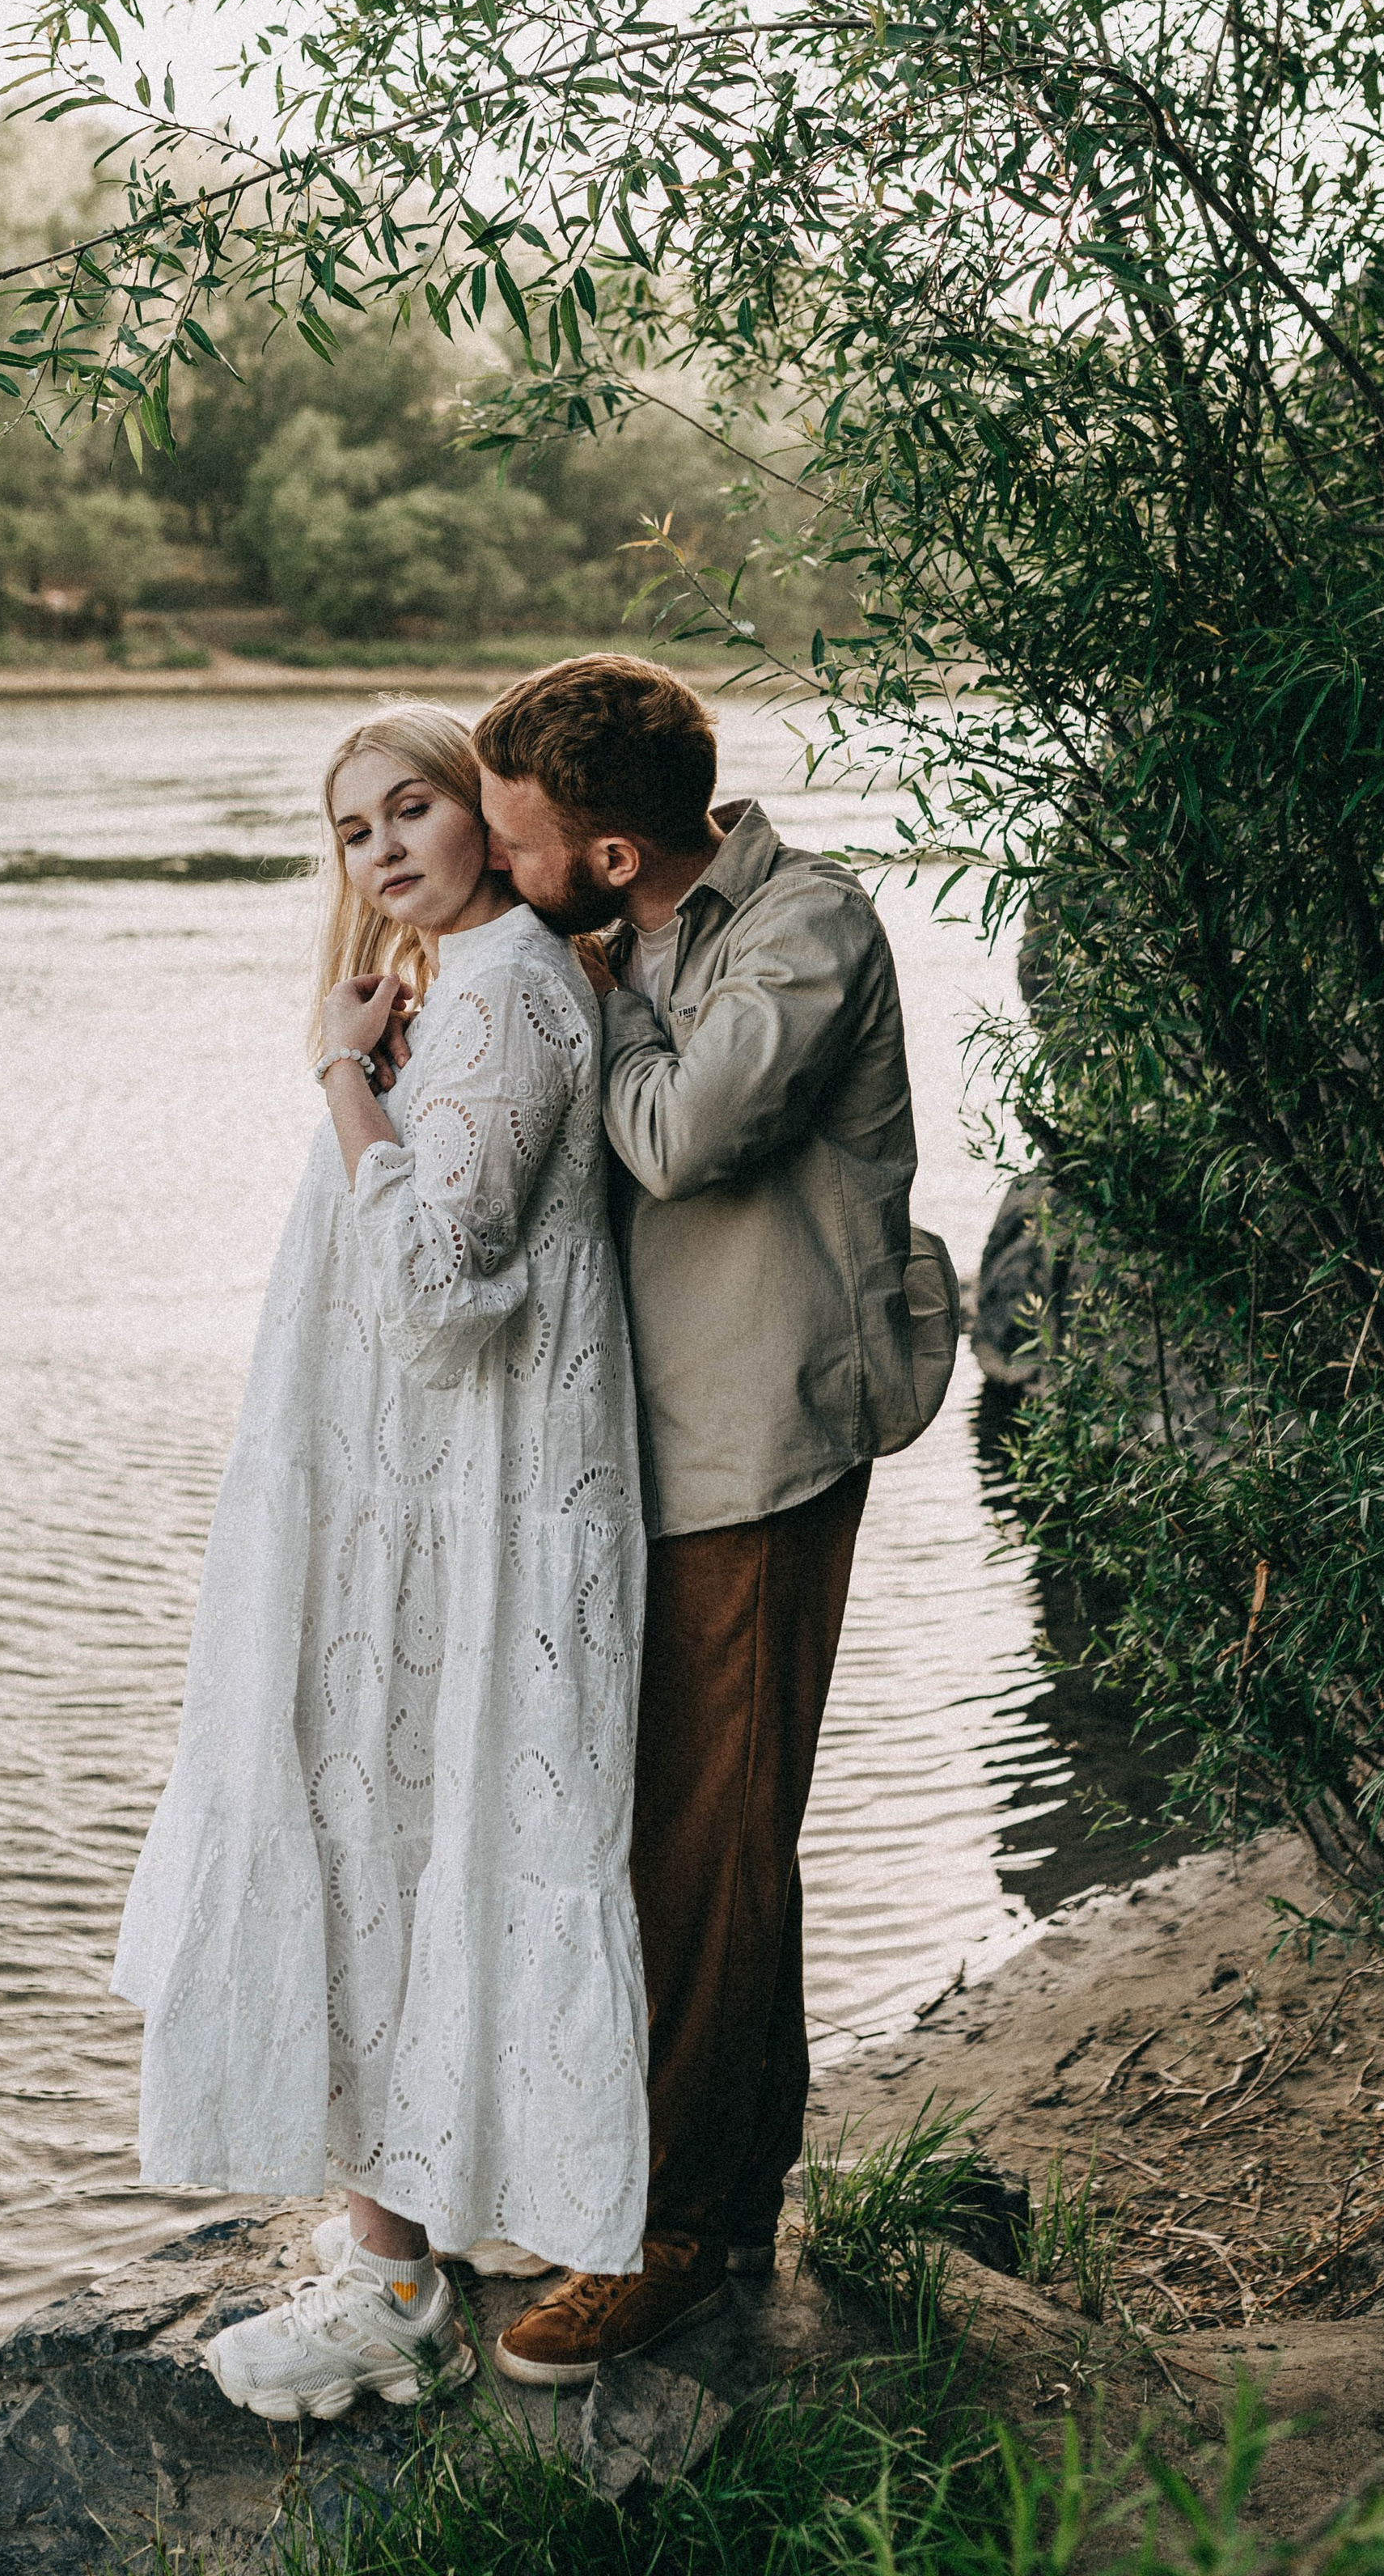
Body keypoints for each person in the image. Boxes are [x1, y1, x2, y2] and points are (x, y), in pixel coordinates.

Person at [110, 704, 649, 2423]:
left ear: (484, 818)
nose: (382, 849)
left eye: (409, 807)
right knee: (389, 1828)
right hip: (412, 1502)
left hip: (467, 1506)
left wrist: (341, 1076)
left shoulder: (499, 993)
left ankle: (398, 2280)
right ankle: (398, 2247)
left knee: (410, 1827)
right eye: (350, 831)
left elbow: (440, 1280)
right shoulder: (460, 985)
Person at [468, 654, 921, 2388]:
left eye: (519, 840)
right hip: (651, 1453)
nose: (505, 867)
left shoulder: (804, 930)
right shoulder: (621, 931)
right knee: (694, 1838)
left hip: (760, 1448)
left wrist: (593, 1002)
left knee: (708, 1846)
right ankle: (717, 2204)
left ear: (604, 858)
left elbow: (674, 1138)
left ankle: (677, 2239)